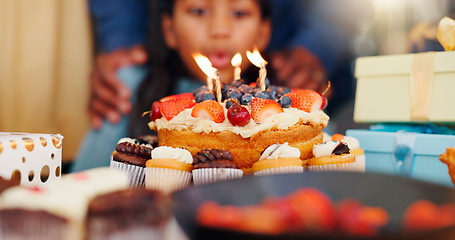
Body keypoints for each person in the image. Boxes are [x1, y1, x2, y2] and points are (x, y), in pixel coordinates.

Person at [71, 0, 370, 172]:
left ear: (264, 32)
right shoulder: (130, 90)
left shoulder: (281, 107)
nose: (220, 30)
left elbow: (330, 161)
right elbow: (85, 179)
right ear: (169, 29)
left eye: (239, 13)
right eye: (199, 10)